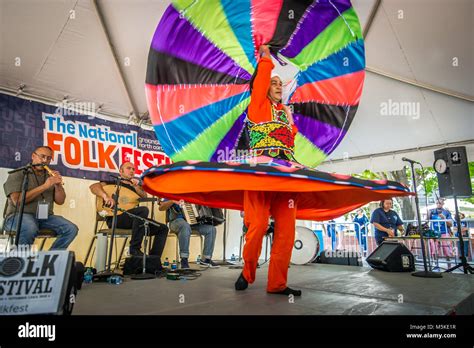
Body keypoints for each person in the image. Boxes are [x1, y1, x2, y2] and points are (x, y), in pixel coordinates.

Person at [234, 44, 301, 296]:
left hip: (286, 174)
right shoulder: (258, 107)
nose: (278, 86)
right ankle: (247, 271)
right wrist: (265, 56)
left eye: (280, 84)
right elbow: (261, 80)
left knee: (287, 231)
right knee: (259, 225)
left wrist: (290, 119)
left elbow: (290, 140)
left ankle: (277, 284)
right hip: (260, 173)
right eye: (274, 83)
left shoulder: (285, 113)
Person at [3, 146, 78, 249]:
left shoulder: (49, 175)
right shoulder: (19, 173)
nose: (45, 161)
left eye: (48, 158)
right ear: (33, 156)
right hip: (18, 216)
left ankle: (50, 260)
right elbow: (18, 201)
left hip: (44, 218)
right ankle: (22, 262)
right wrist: (45, 186)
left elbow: (60, 201)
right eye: (42, 157)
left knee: (71, 229)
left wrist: (57, 185)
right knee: (30, 227)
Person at [89, 162, 168, 257]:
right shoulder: (113, 181)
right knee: (143, 210)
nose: (131, 171)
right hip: (115, 219)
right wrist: (105, 197)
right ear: (121, 171)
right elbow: (93, 187)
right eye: (128, 168)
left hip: (135, 220)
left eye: (133, 169)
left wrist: (136, 186)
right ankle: (134, 249)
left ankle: (153, 260)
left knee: (163, 228)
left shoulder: (134, 186)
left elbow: (144, 196)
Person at [159, 200, 219, 269]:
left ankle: (206, 259)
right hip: (176, 221)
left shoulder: (192, 194)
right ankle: (184, 259)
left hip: (193, 223)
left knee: (211, 229)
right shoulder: (173, 192)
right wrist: (172, 201)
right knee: (185, 226)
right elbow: (161, 208)